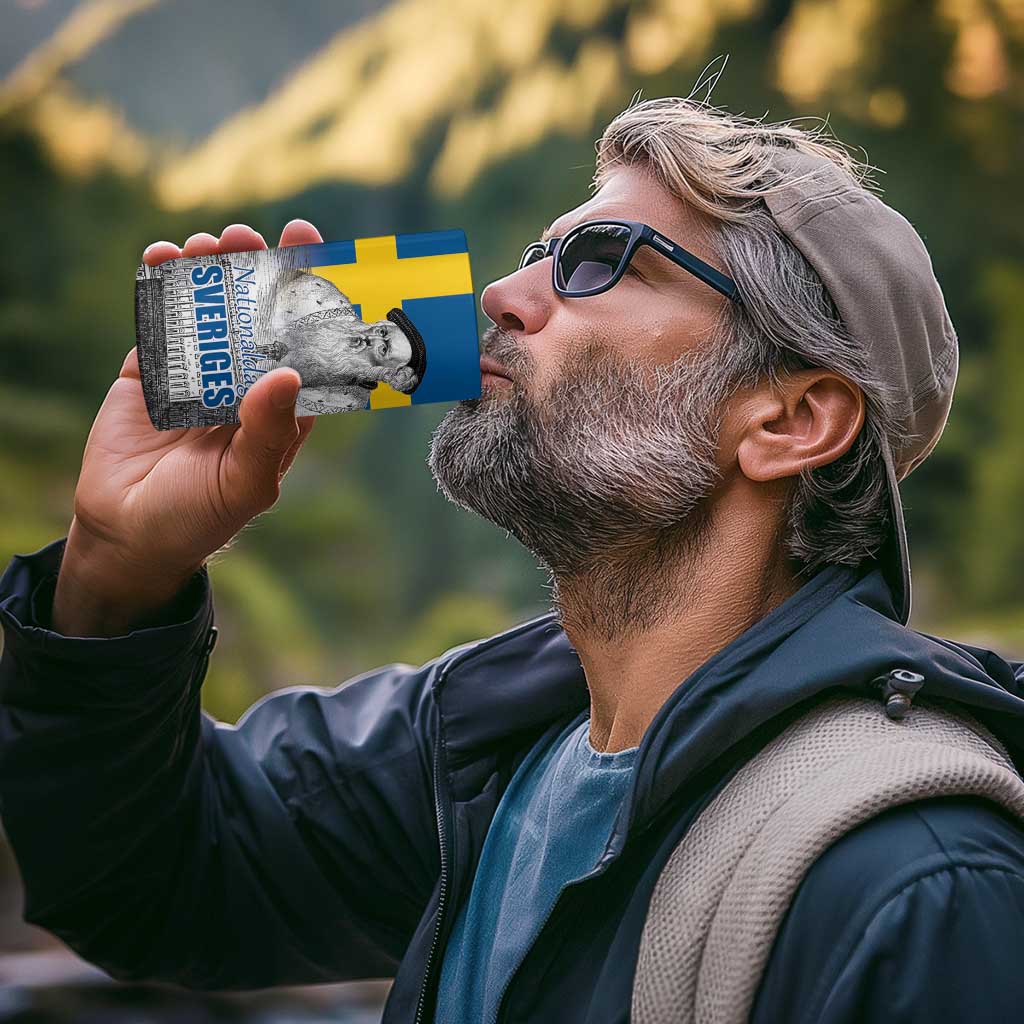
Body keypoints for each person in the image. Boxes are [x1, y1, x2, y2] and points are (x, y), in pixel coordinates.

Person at [2, 96, 1024, 1024]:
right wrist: (116, 570)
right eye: (540, 252)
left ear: (791, 419)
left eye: (599, 261)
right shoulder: (480, 748)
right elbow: (149, 880)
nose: (501, 291)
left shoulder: (918, 883)